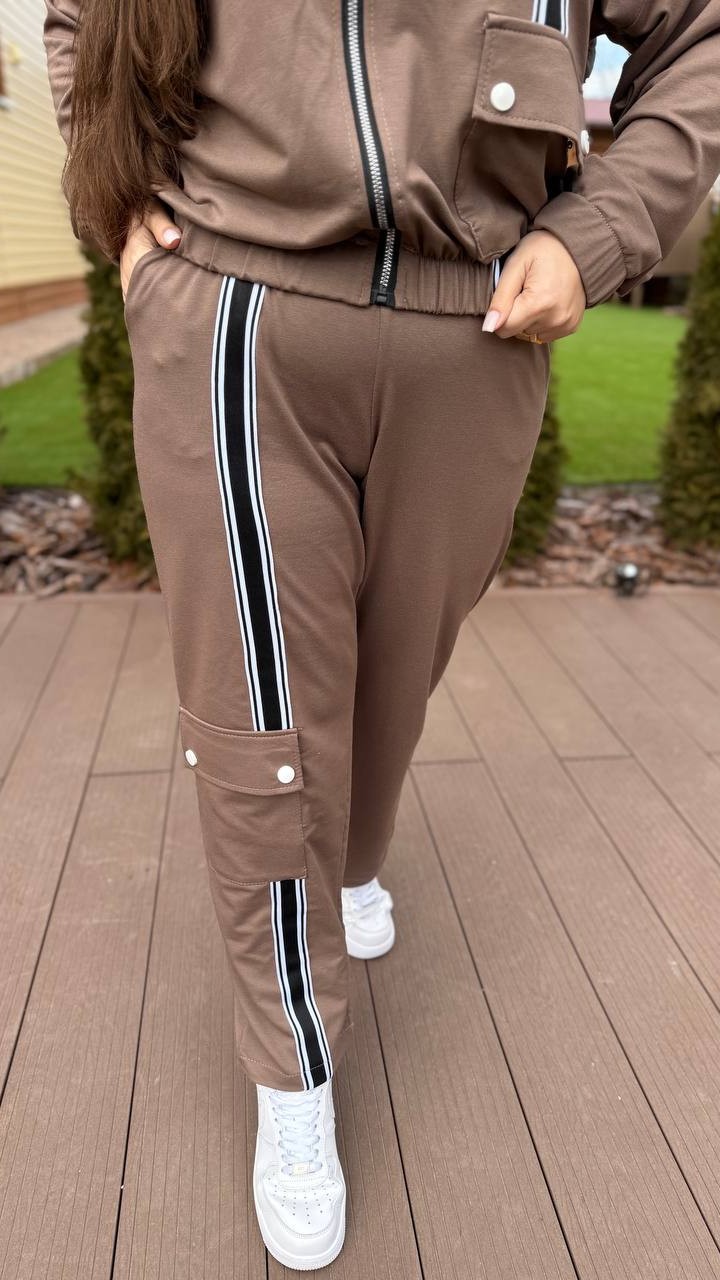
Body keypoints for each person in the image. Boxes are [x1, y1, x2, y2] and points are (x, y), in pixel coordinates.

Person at [43, 0, 720, 1268]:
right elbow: (84, 15)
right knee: (264, 723)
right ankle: (293, 1070)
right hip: (239, 305)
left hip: (478, 326)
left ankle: (348, 862)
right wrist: (121, 212)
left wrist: (598, 233)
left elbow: (698, 34)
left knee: (393, 682)